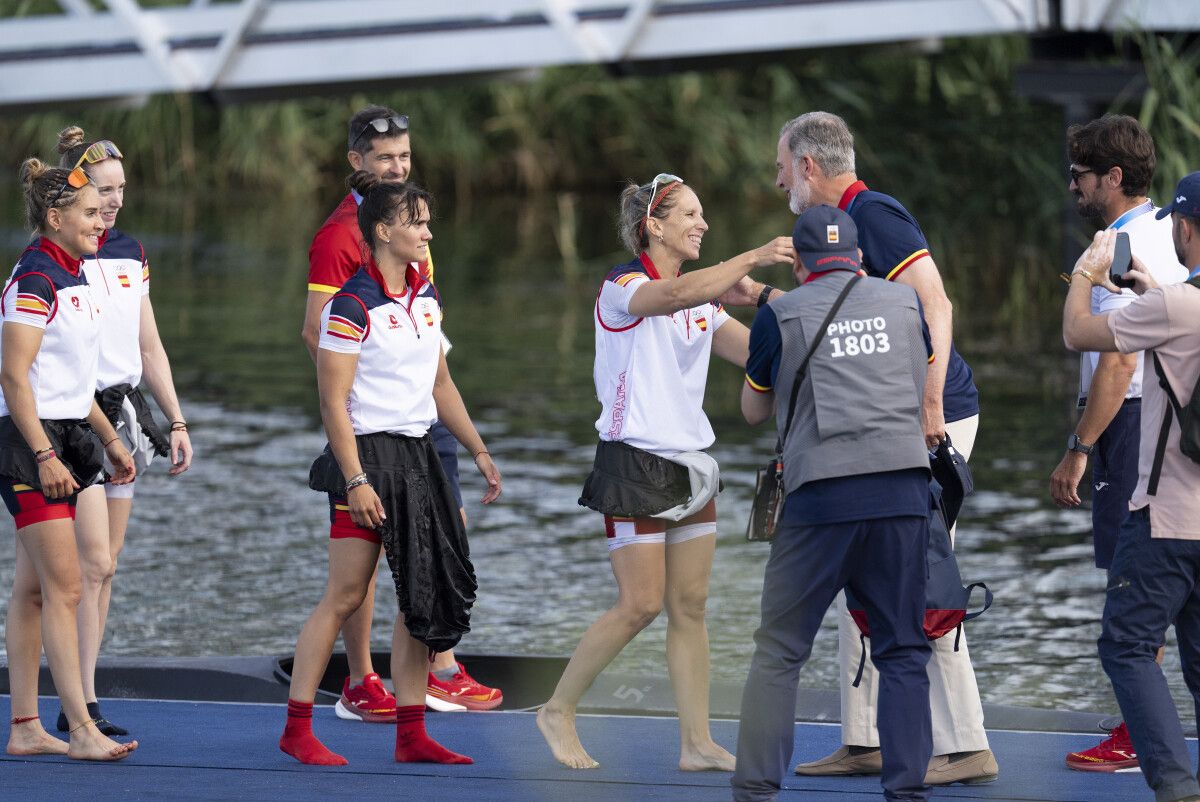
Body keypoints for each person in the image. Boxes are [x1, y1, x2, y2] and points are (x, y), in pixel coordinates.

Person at [536, 173, 793, 771]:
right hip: (633, 462)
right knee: (640, 605)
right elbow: (670, 298)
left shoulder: (700, 299)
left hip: (691, 464)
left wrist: (784, 309)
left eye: (703, 215)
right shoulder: (623, 286)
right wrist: (751, 260)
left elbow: (757, 354)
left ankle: (696, 743)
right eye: (690, 216)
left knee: (692, 606)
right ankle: (558, 709)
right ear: (653, 226)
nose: (702, 224)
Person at [775, 111, 994, 785]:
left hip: (934, 414)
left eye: (781, 167)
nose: (779, 179)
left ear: (809, 166)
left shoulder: (875, 214)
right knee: (862, 572)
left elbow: (937, 305)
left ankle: (963, 744)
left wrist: (929, 405)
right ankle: (867, 737)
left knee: (922, 576)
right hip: (889, 416)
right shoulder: (838, 229)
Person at [280, 175, 501, 766]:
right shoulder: (350, 304)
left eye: (428, 222)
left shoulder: (426, 297)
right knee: (347, 594)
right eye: (418, 222)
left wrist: (478, 450)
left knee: (417, 595)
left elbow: (440, 383)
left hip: (419, 456)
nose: (429, 232)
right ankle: (298, 729)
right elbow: (332, 403)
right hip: (367, 458)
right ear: (384, 231)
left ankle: (411, 735)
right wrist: (354, 480)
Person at [733, 204, 934, 802]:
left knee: (780, 649)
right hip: (901, 492)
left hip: (820, 501)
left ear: (798, 261)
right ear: (858, 254)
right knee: (903, 648)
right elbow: (920, 382)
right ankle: (907, 789)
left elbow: (753, 410)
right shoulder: (903, 302)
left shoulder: (781, 313)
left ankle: (756, 788)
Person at [44, 127, 194, 738]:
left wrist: (176, 419)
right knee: (87, 564)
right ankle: (73, 702)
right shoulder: (56, 254)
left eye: (121, 190)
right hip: (76, 421)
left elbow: (148, 344)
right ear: (75, 190)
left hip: (125, 417)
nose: (114, 202)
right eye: (103, 190)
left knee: (105, 569)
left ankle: (84, 695)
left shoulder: (131, 250)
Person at [1048, 114, 1186, 772]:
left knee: (1131, 579)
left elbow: (1117, 363)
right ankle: (1140, 724)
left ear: (1113, 177)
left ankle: (1135, 737)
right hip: (1156, 427)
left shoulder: (1118, 247)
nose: (1072, 187)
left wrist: (1079, 444)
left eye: (1080, 175)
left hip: (1129, 424)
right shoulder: (1161, 231)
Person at [2, 156, 138, 761]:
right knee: (65, 588)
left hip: (73, 436)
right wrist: (42, 454)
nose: (98, 223)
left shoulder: (74, 275)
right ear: (55, 218)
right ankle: (81, 727)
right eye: (88, 213)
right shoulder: (34, 278)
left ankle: (26, 727)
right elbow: (13, 375)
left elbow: (73, 381)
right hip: (30, 443)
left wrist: (110, 439)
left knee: (35, 590)